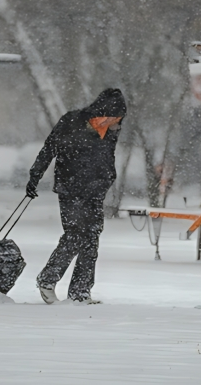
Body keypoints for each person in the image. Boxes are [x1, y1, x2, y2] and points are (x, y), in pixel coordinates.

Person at [26, 88, 126, 304]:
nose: (118, 124)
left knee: (91, 238)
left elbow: (106, 157)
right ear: (105, 112)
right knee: (75, 235)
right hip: (71, 189)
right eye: (116, 118)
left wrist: (108, 177)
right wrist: (35, 175)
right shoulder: (71, 121)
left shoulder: (110, 130)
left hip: (95, 191)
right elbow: (49, 148)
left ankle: (80, 293)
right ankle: (47, 279)